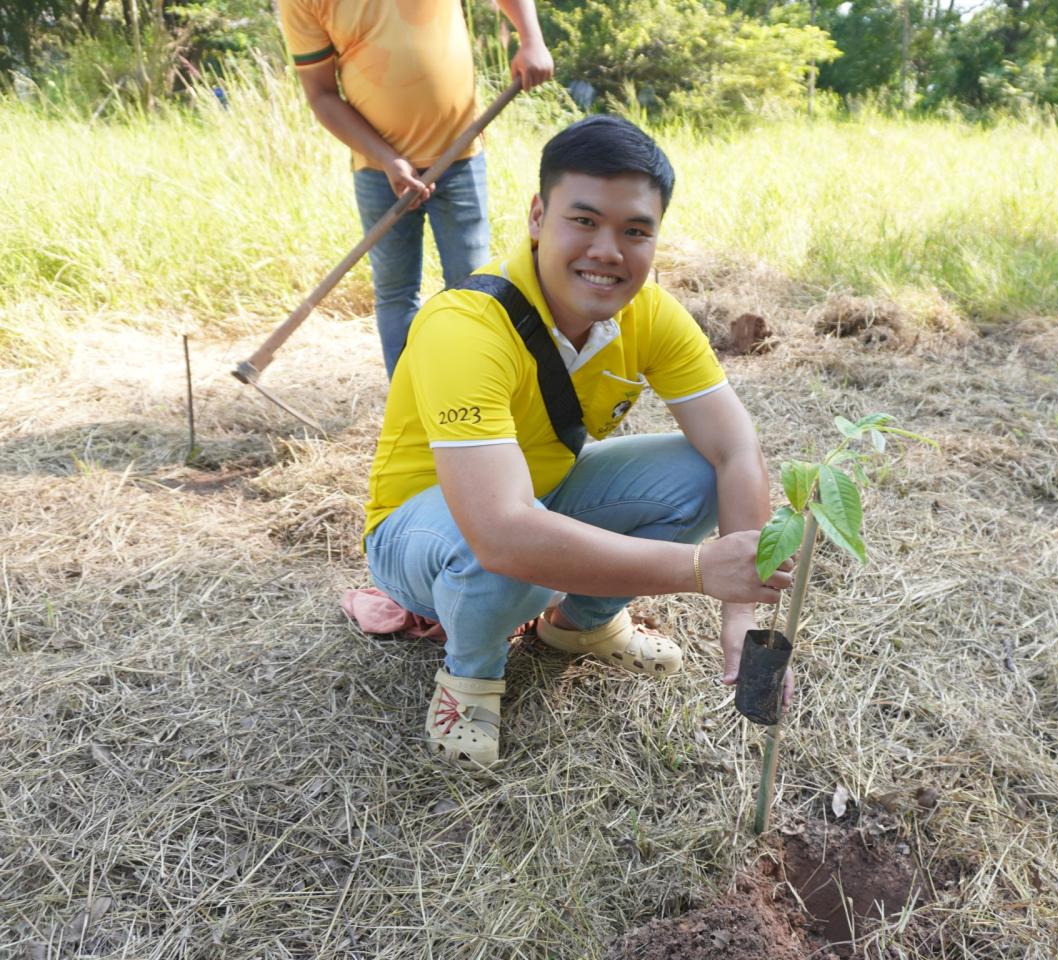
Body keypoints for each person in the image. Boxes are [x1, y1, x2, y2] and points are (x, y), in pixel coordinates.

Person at [362, 116, 795, 767]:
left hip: (537, 499)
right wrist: (702, 571)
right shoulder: (465, 326)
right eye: (583, 221)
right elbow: (499, 533)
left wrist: (744, 618)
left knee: (700, 472)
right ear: (538, 216)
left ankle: (579, 629)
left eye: (635, 231)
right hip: (422, 534)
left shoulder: (648, 313)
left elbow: (735, 449)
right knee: (502, 551)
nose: (608, 251)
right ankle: (471, 676)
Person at [277, 0, 554, 378]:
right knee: (395, 293)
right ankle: (410, 409)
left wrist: (531, 39)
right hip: (379, 171)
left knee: (472, 287)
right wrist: (387, 159)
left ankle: (473, 397)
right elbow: (321, 94)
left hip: (460, 156)